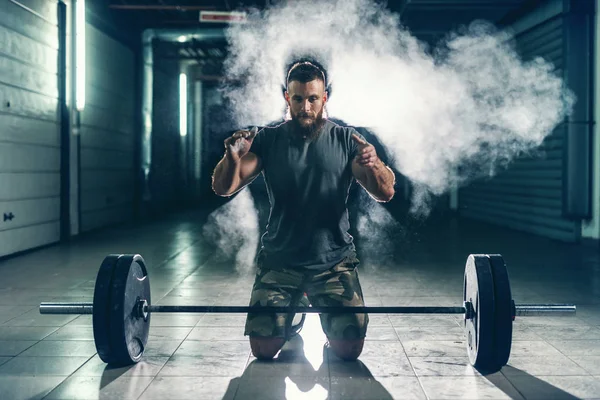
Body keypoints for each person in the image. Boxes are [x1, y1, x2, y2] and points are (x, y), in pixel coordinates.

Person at [212, 61, 396, 361]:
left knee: (349, 350)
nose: (306, 107)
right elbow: (224, 187)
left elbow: (385, 192)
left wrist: (374, 164)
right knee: (263, 350)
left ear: (324, 98)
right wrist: (231, 157)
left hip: (332, 262)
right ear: (288, 98)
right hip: (280, 260)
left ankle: (307, 306)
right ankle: (293, 317)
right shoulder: (269, 140)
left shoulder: (347, 140)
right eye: (298, 99)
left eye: (313, 98)